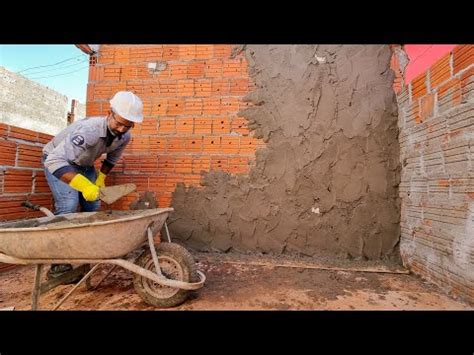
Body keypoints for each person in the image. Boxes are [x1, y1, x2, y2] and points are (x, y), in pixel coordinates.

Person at [41, 91, 143, 281]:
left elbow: (112, 158)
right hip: (57, 160)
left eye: (127, 126)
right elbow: (54, 161)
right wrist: (83, 185)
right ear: (109, 113)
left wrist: (100, 178)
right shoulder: (89, 130)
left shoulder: (124, 136)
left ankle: (86, 250)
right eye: (119, 123)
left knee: (93, 206)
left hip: (84, 164)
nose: (121, 129)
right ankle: (58, 265)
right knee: (68, 205)